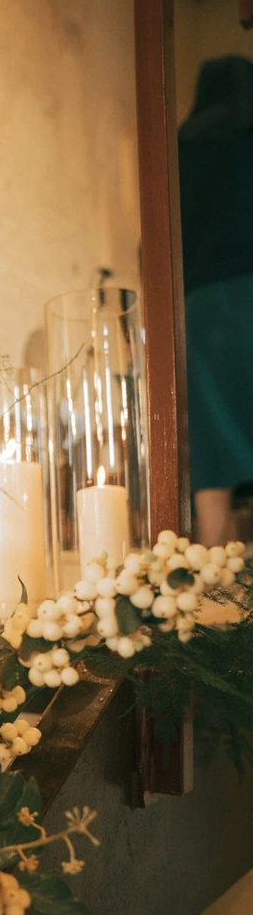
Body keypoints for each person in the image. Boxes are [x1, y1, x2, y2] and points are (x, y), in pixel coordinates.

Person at [179, 55, 253, 547]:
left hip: (198, 307)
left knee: (210, 453)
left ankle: (211, 595)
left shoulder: (180, 147)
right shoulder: (248, 138)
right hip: (247, 291)